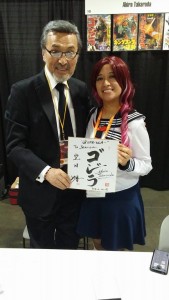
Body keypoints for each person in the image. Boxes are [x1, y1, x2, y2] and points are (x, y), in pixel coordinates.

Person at [5, 20, 90, 249]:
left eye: (70, 52)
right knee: (42, 256)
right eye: (55, 51)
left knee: (70, 250)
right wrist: (47, 172)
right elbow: (15, 146)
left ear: (78, 55)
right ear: (44, 53)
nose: (63, 60)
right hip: (39, 193)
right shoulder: (23, 91)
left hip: (74, 192)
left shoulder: (81, 91)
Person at [77, 55, 152, 251]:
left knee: (116, 250)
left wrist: (127, 163)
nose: (106, 83)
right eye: (100, 78)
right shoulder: (94, 114)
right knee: (97, 243)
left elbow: (146, 164)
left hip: (120, 197)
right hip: (94, 192)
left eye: (112, 77)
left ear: (124, 81)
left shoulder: (135, 123)